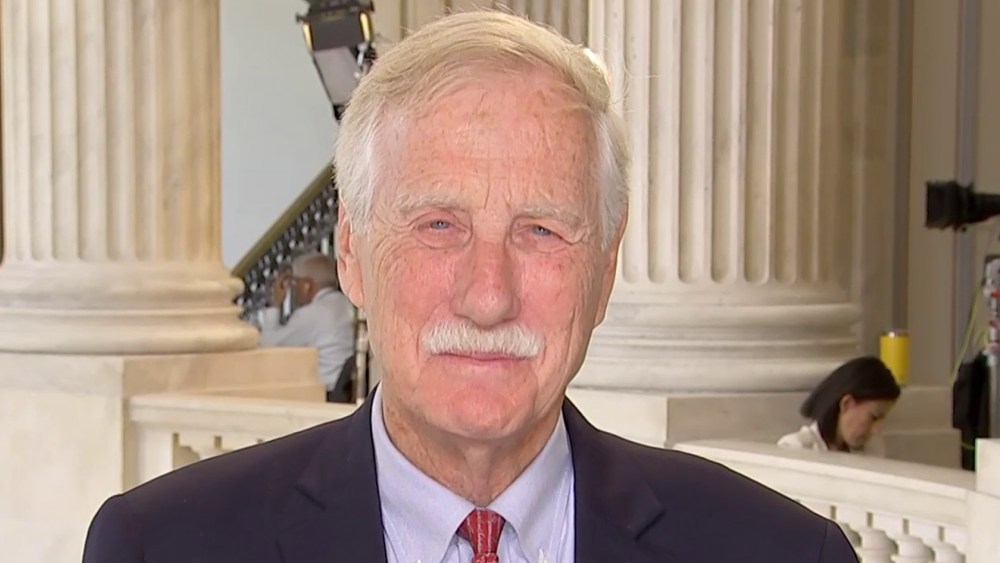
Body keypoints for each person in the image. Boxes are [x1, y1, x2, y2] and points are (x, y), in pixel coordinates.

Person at [82, 11, 858, 563]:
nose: (488, 297)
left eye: (541, 230)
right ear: (351, 251)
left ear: (605, 266)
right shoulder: (164, 546)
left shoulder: (784, 552)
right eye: (438, 225)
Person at [258, 251, 357, 402]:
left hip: (326, 395)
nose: (292, 290)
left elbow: (268, 345)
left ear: (307, 286)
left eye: (294, 284)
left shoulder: (313, 313)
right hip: (347, 391)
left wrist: (275, 304)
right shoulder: (346, 304)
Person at [779, 356, 901, 454]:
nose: (876, 430)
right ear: (846, 404)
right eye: (874, 417)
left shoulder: (872, 449)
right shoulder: (795, 449)